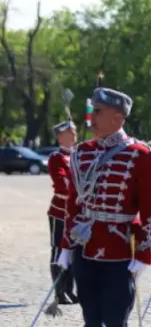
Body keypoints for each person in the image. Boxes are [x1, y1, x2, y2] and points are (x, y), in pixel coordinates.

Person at [56, 84, 151, 327]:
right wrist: (66, 246)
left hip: (120, 250)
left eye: (99, 111)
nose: (91, 117)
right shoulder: (81, 152)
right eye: (92, 110)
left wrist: (144, 254)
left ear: (118, 118)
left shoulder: (141, 155)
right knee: (90, 320)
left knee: (116, 323)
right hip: (86, 248)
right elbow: (73, 205)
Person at [48, 117, 79, 305]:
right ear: (60, 138)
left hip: (75, 213)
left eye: (74, 132)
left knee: (73, 250)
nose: (74, 135)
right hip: (60, 211)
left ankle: (70, 289)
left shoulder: (77, 155)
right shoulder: (56, 158)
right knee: (59, 250)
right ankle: (59, 292)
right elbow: (62, 184)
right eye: (70, 132)